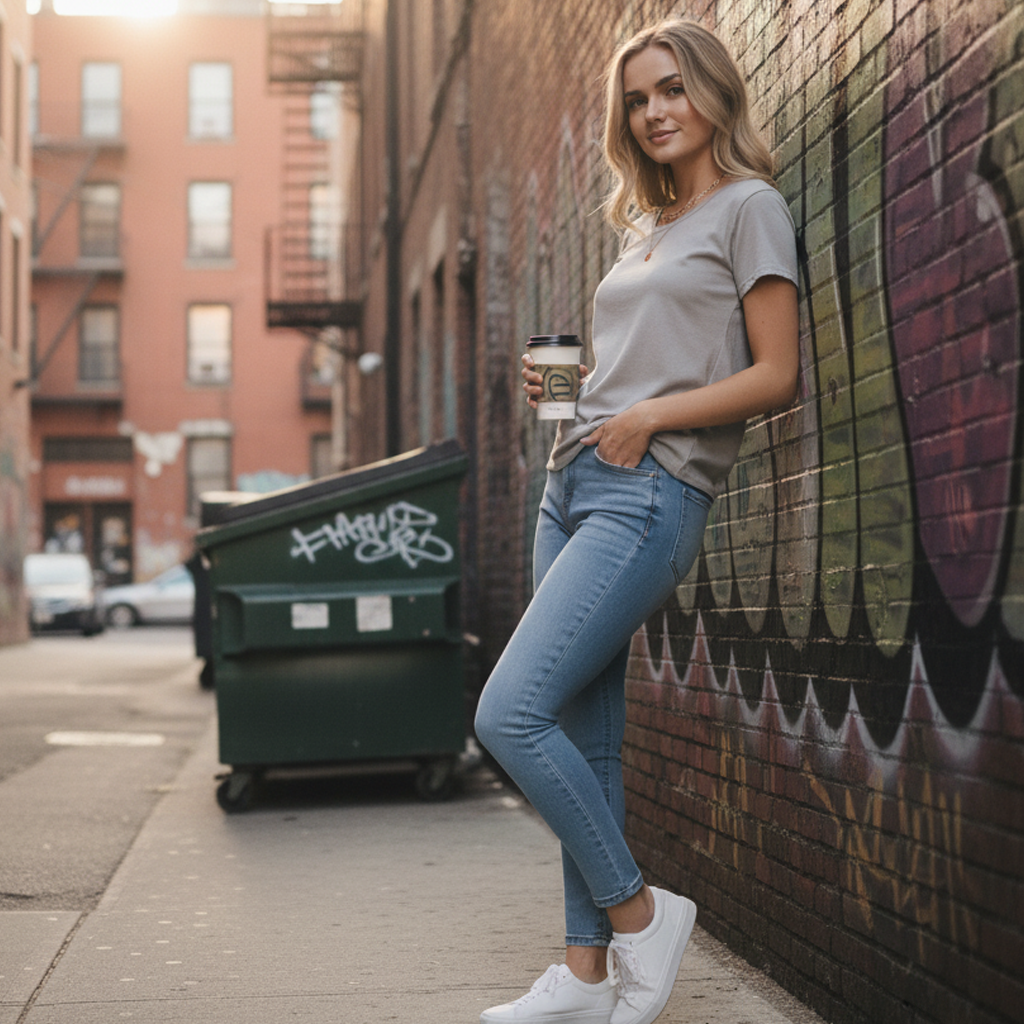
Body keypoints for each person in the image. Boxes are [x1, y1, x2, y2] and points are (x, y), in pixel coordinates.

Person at [474, 17, 799, 1024]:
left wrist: (650, 412)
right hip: (570, 485)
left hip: (650, 490)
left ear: (712, 95)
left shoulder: (750, 209)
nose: (654, 112)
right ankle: (581, 977)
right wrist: (568, 390)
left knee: (507, 714)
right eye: (637, 99)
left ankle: (639, 914)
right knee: (585, 736)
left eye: (671, 90)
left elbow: (776, 374)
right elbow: (638, 361)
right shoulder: (644, 226)